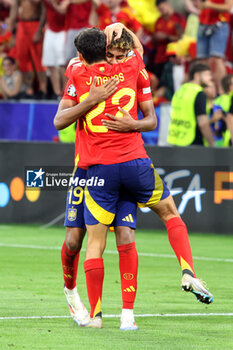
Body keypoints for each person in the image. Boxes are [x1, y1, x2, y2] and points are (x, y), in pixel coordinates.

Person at [69, 27, 213, 329]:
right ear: (113, 49)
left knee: (95, 242)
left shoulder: (77, 71)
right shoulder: (133, 66)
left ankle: (95, 315)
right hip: (135, 164)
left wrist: (106, 38)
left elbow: (62, 115)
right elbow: (137, 49)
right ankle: (187, 270)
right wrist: (124, 31)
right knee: (170, 214)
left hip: (99, 171)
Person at [54, 25, 156, 330]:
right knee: (74, 239)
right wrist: (91, 99)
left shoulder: (122, 67)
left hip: (115, 165)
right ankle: (72, 293)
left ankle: (124, 314)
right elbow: (59, 120)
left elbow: (137, 55)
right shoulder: (78, 73)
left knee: (124, 235)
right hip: (84, 168)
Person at [167, 62, 215, 146]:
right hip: (193, 141)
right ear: (197, 75)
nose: (210, 78)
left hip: (175, 140)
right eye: (207, 75)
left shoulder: (180, 90)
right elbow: (202, 123)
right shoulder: (199, 93)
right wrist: (212, 144)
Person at [9, 0, 47, 98]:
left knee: (39, 60)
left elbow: (44, 11)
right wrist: (11, 32)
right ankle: (28, 89)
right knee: (23, 58)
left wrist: (39, 30)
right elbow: (14, 10)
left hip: (35, 23)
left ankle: (43, 89)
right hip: (22, 25)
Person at [197, 0, 233, 92]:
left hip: (219, 23)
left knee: (217, 58)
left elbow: (228, 7)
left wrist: (210, 5)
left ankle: (222, 91)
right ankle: (206, 90)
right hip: (203, 23)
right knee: (202, 60)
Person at [152, 0, 186, 80]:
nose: (161, 12)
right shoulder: (159, 21)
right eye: (159, 10)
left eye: (162, 9)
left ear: (167, 4)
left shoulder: (178, 18)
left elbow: (182, 38)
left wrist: (166, 37)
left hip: (173, 57)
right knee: (158, 81)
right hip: (159, 57)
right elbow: (154, 40)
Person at [42, 0, 66, 99]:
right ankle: (56, 93)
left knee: (62, 64)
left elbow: (62, 11)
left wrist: (53, 3)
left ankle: (65, 92)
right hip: (50, 30)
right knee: (50, 63)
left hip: (63, 30)